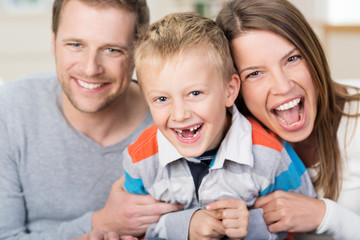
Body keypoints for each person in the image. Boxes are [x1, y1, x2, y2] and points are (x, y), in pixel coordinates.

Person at [122, 12, 315, 240]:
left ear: (229, 91)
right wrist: (185, 225)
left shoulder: (269, 153)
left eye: (195, 93)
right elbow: (135, 230)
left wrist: (250, 223)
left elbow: (303, 224)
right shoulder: (139, 159)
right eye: (161, 99)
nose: (180, 114)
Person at [0, 0, 181, 239]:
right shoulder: (9, 109)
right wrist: (103, 222)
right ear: (54, 42)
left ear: (138, 54)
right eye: (76, 44)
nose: (90, 68)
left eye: (112, 50)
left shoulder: (178, 122)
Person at [216, 0, 360, 239]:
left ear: (313, 55)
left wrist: (326, 216)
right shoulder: (232, 146)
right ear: (233, 88)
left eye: (292, 59)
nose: (283, 87)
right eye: (255, 74)